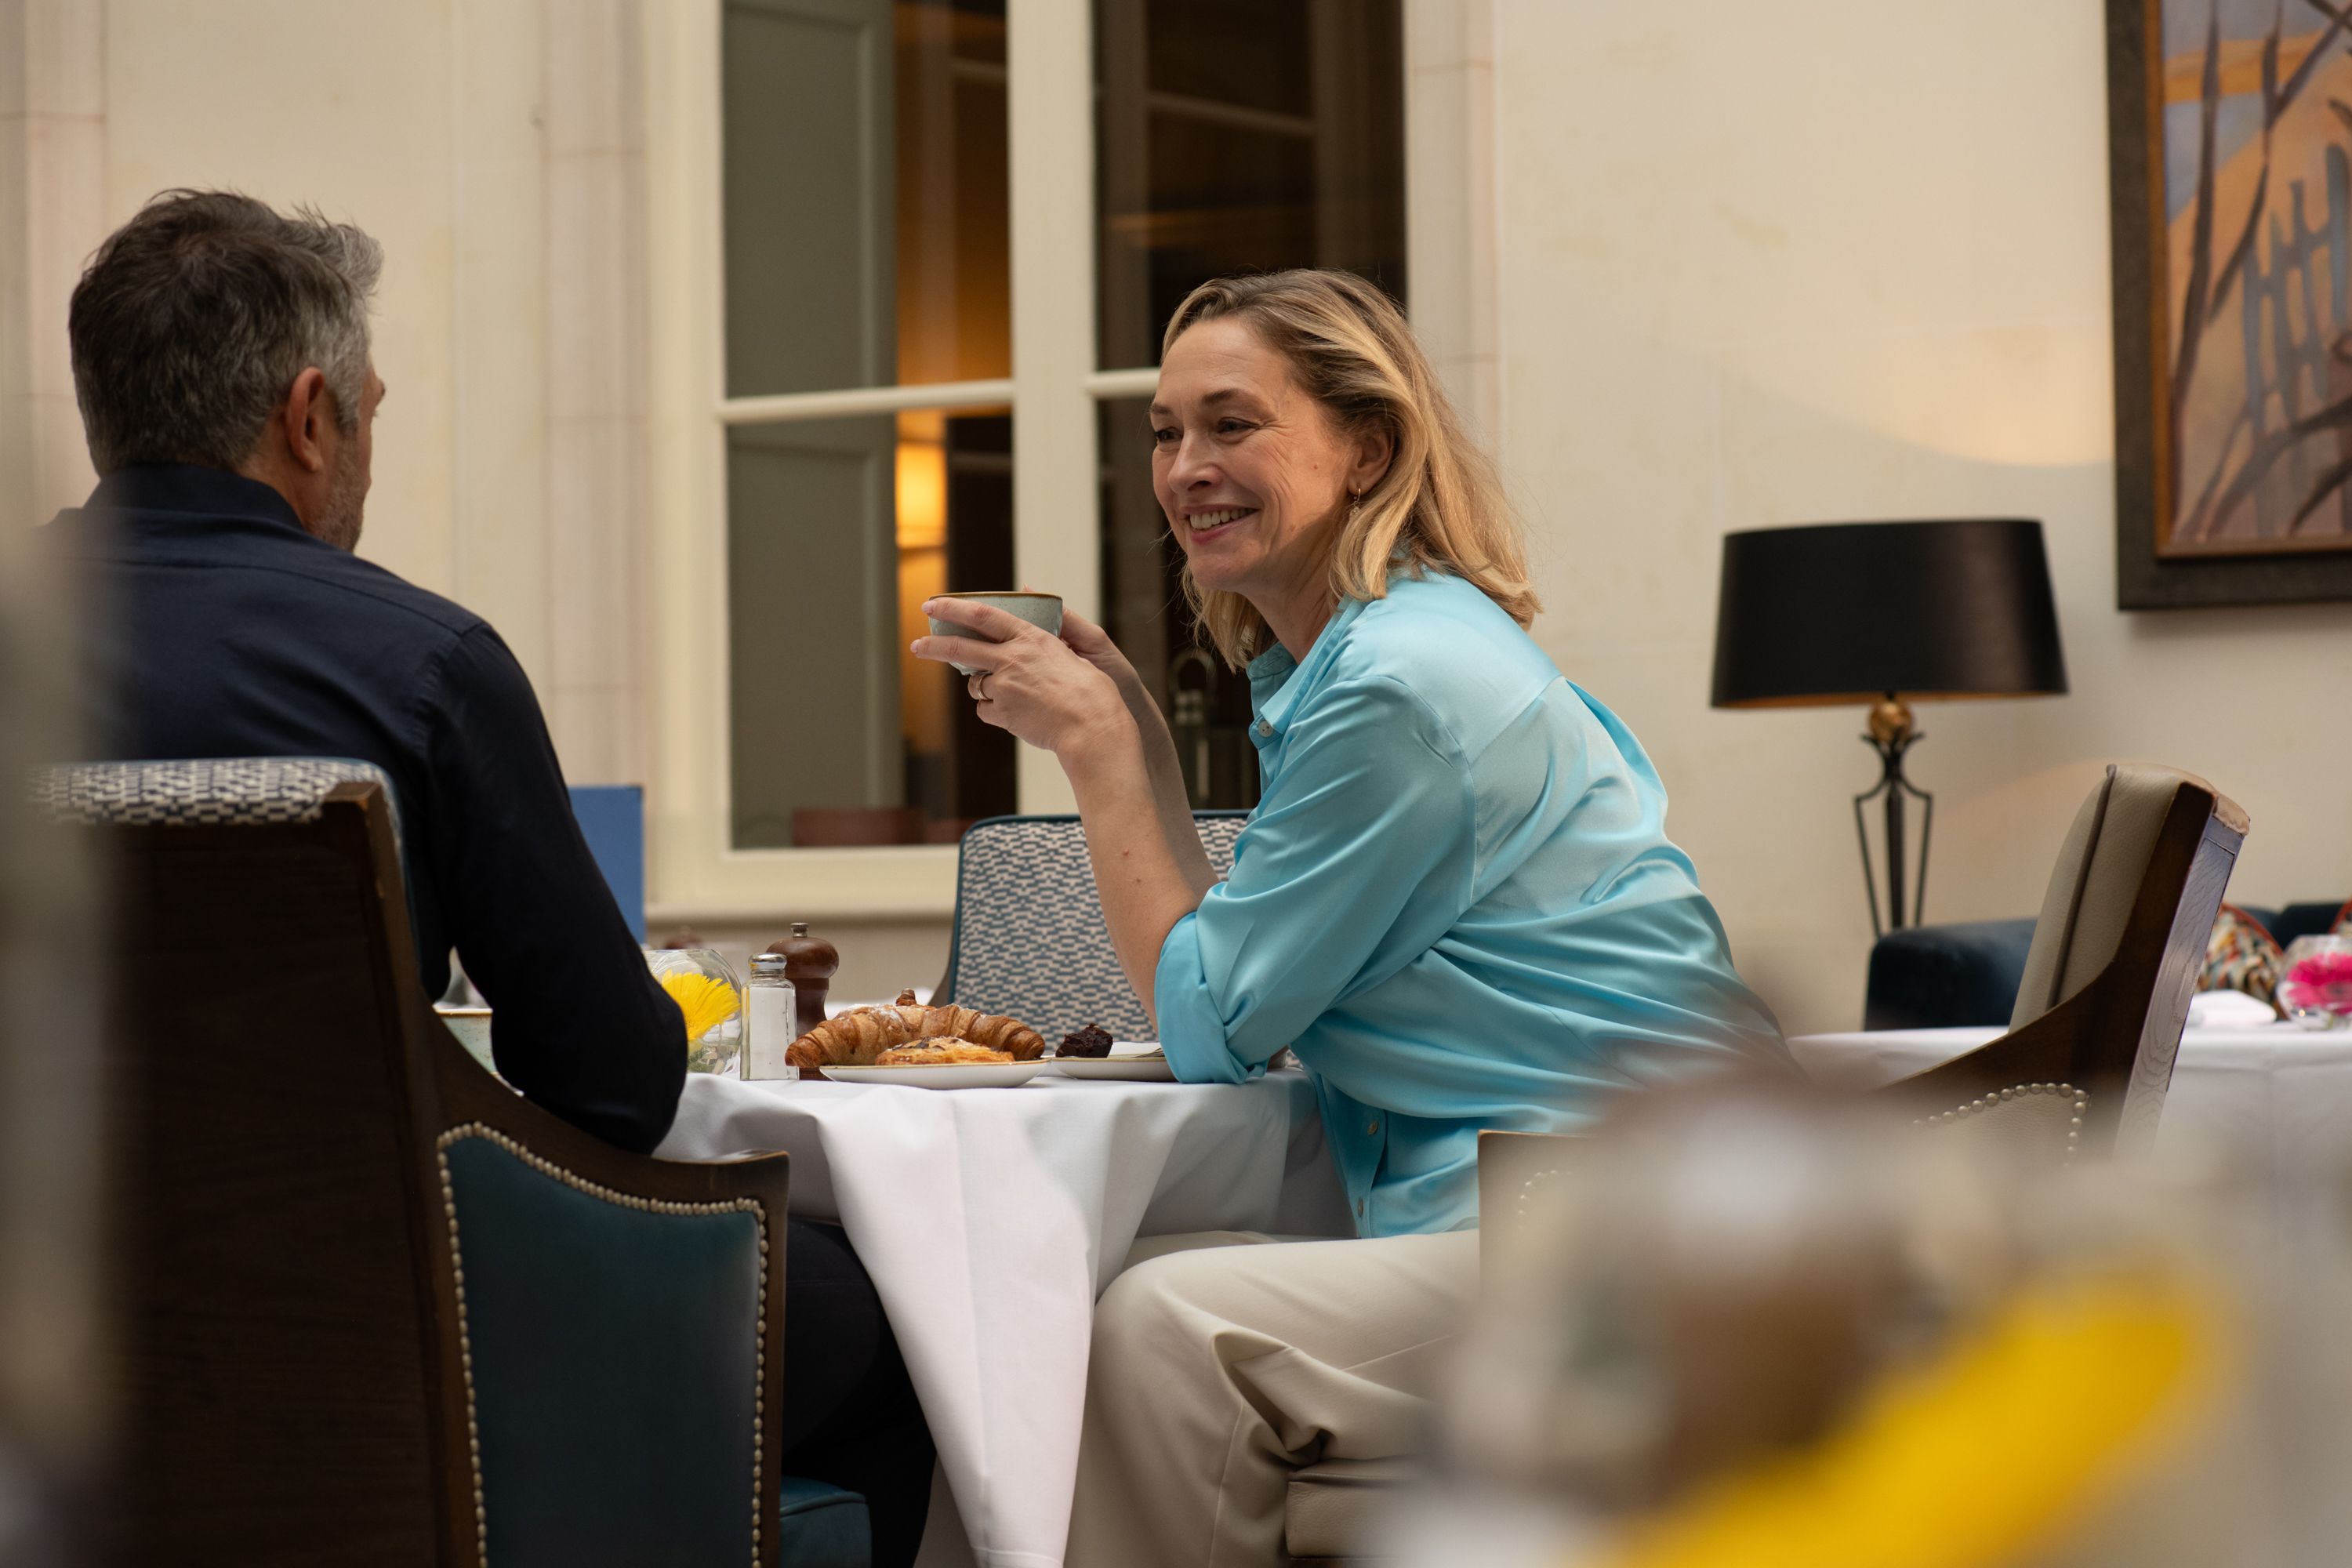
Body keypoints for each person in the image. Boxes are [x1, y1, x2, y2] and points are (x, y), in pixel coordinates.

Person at [49, 189, 932, 1565]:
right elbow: (610, 1089)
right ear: (308, 416)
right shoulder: (417, 666)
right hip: (384, 1330)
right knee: (891, 1327)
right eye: (372, 414)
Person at [911, 268, 1791, 1566]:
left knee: (1162, 1325)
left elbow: (1212, 1023)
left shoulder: (1400, 690)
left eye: (1233, 424)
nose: (1187, 467)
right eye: (1166, 432)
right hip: (1577, 1200)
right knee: (1030, 1307)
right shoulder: (1387, 653)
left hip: (1614, 1231)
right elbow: (1244, 969)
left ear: (1366, 448)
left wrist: (1097, 755)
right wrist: (1142, 738)